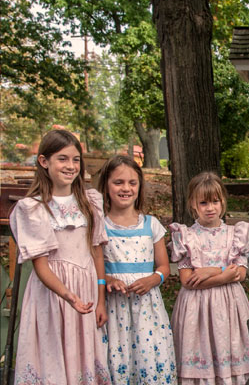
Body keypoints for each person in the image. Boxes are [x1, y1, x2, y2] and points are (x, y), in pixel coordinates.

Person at [9, 129, 111, 384]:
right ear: (44, 162)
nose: (71, 165)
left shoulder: (90, 202)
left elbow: (96, 251)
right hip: (53, 293)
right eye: (62, 159)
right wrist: (67, 295)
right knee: (52, 355)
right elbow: (41, 266)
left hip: (85, 290)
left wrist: (100, 299)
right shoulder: (33, 207)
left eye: (76, 159)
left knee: (81, 357)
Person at [97, 155, 177, 383]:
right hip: (115, 309)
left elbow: (164, 267)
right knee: (119, 357)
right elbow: (94, 267)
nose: (126, 188)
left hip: (147, 308)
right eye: (118, 182)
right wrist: (110, 279)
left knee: (150, 356)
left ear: (139, 187)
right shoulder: (100, 226)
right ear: (106, 186)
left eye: (132, 183)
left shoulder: (151, 225)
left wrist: (153, 279)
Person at [169, 171, 249, 384]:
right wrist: (225, 273)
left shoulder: (235, 234)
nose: (210, 208)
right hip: (196, 308)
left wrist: (211, 272)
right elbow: (188, 280)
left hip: (229, 306)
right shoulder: (187, 236)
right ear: (193, 204)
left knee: (228, 348)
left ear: (223, 201)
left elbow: (240, 273)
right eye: (204, 202)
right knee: (199, 350)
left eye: (215, 201)